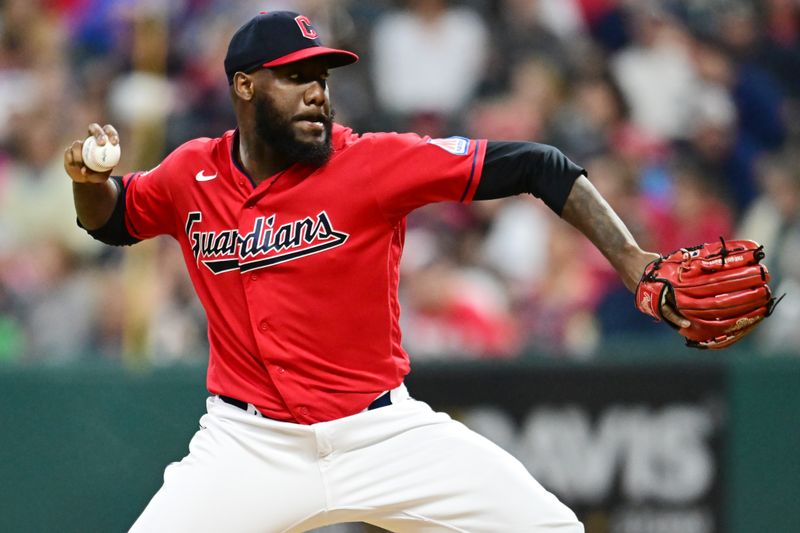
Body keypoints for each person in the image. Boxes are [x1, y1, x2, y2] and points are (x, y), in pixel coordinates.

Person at [64, 11, 689, 533]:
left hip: (382, 432)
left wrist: (632, 260)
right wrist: (87, 182)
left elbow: (539, 164)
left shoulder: (372, 162)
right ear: (246, 86)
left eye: (322, 78)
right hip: (248, 444)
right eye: (295, 77)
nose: (318, 92)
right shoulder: (189, 172)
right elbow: (112, 219)